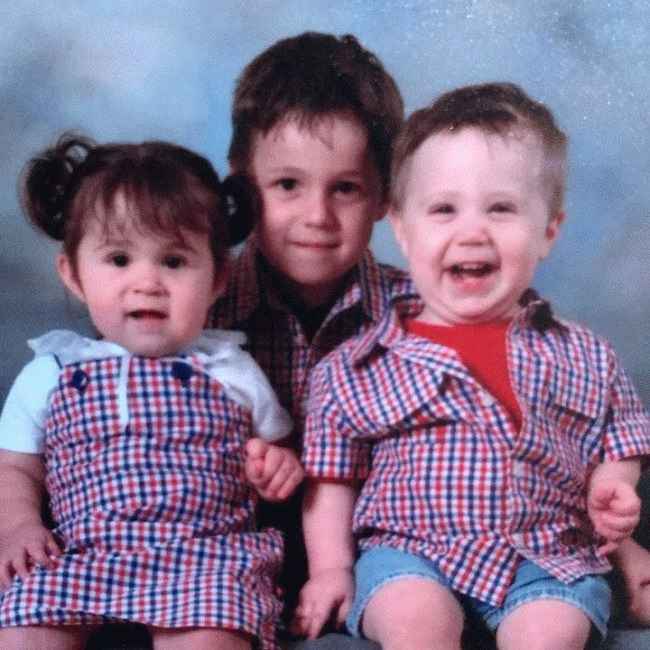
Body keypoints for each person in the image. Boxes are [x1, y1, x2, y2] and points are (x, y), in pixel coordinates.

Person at [296, 83, 650, 649]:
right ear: (403, 230)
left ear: (548, 232)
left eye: (501, 208)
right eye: (444, 209)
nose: (472, 231)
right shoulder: (358, 365)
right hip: (411, 553)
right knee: (416, 622)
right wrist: (331, 568)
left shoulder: (585, 354)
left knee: (551, 632)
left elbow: (621, 438)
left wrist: (614, 485)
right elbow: (331, 481)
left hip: (546, 555)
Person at [0, 134, 300, 650]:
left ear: (218, 279)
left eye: (174, 262)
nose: (147, 283)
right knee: (24, 628)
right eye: (119, 260)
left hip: (205, 560)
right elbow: (14, 467)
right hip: (82, 556)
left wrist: (276, 468)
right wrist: (18, 525)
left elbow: (279, 450)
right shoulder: (53, 370)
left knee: (211, 637)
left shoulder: (231, 369)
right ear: (73, 274)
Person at [208, 31, 416, 630]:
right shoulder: (195, 308)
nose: (317, 217)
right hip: (219, 561)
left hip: (386, 562)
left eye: (345, 188)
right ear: (242, 187)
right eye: (287, 185)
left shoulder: (422, 316)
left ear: (384, 194)